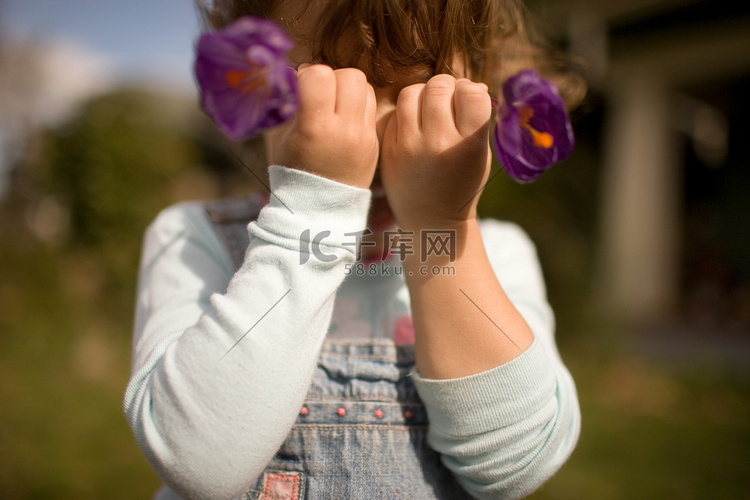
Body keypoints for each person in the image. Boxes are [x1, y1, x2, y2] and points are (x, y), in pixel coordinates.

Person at [124, 1, 583, 499]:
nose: (374, 129)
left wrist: (442, 231)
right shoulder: (196, 238)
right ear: (253, 82)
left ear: (487, 89)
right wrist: (313, 212)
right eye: (330, 81)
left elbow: (512, 467)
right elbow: (200, 461)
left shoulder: (498, 253)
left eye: (422, 89)